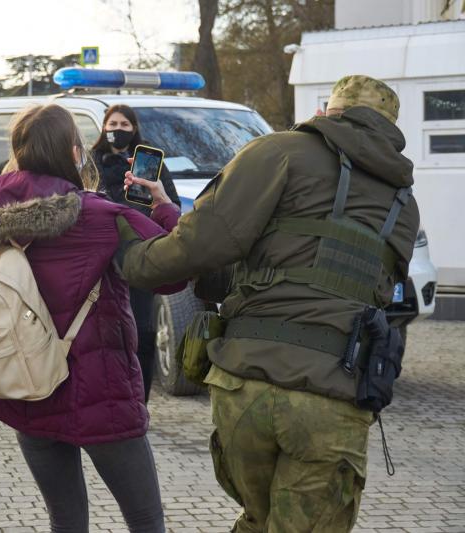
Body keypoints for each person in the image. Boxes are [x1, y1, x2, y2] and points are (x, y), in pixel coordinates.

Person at [116, 75, 420, 532]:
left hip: (245, 385)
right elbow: (376, 295)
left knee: (258, 518)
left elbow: (208, 248)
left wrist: (130, 257)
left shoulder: (278, 151)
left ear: (327, 112)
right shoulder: (404, 202)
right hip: (333, 395)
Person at [0, 104, 184, 533]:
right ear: (73, 152)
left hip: (27, 382)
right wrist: (162, 207)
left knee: (65, 520)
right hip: (101, 391)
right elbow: (172, 273)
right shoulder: (104, 215)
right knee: (146, 520)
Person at [90, 104, 181, 402]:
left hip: (140, 253)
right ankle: (109, 397)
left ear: (134, 128)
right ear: (104, 128)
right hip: (102, 259)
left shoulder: (150, 163)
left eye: (124, 124)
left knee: (142, 332)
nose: (117, 129)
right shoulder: (92, 162)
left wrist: (145, 205)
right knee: (104, 333)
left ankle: (139, 401)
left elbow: (170, 203)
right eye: (112, 123)